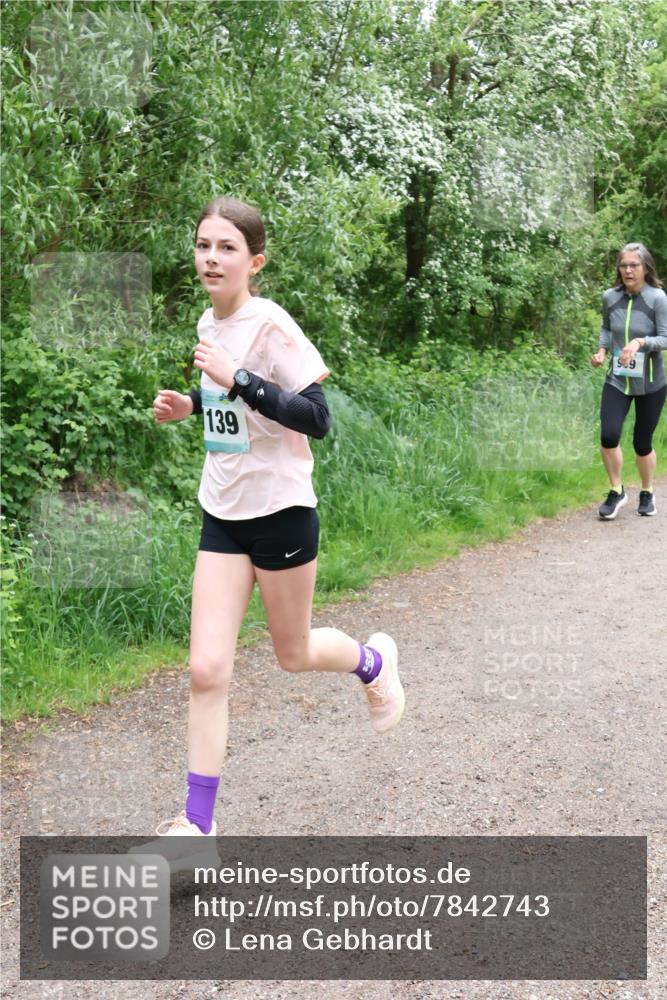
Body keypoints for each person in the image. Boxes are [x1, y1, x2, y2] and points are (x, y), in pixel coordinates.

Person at [150, 197, 404, 842]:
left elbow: (316, 416)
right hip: (223, 512)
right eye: (204, 245)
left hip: (282, 512)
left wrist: (239, 380)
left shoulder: (271, 326)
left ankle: (372, 663)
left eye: (227, 247)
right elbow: (236, 422)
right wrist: (192, 409)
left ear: (253, 261)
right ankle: (196, 826)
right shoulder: (209, 324)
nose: (212, 257)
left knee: (293, 653)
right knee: (207, 669)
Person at [591, 242, 667, 519]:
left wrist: (639, 342)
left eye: (634, 265)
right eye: (623, 265)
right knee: (609, 436)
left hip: (650, 384)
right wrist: (601, 350)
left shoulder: (658, 298)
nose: (628, 270)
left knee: (642, 443)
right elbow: (606, 327)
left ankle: (647, 492)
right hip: (617, 380)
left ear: (645, 267)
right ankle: (616, 490)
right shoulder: (610, 297)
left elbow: (665, 338)